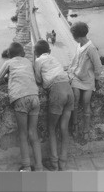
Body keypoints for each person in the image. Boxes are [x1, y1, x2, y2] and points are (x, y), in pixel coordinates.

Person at [0, 42, 43, 172]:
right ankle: (39, 166)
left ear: (9, 55)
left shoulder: (8, 63)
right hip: (34, 97)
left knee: (23, 134)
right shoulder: (28, 62)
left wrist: (7, 79)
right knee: (33, 133)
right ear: (23, 53)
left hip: (20, 98)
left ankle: (26, 167)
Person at [33, 40, 73, 171]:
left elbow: (38, 79)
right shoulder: (54, 58)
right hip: (68, 89)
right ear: (49, 51)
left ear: (35, 53)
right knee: (64, 128)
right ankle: (63, 162)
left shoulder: (38, 61)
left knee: (51, 128)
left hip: (57, 91)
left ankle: (54, 163)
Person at [67, 22, 102, 138]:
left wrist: (96, 79)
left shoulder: (91, 48)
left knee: (86, 103)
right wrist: (70, 72)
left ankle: (86, 129)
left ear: (77, 36)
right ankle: (75, 124)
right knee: (75, 99)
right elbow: (75, 61)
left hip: (88, 80)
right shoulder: (80, 45)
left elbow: (98, 66)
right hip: (77, 78)